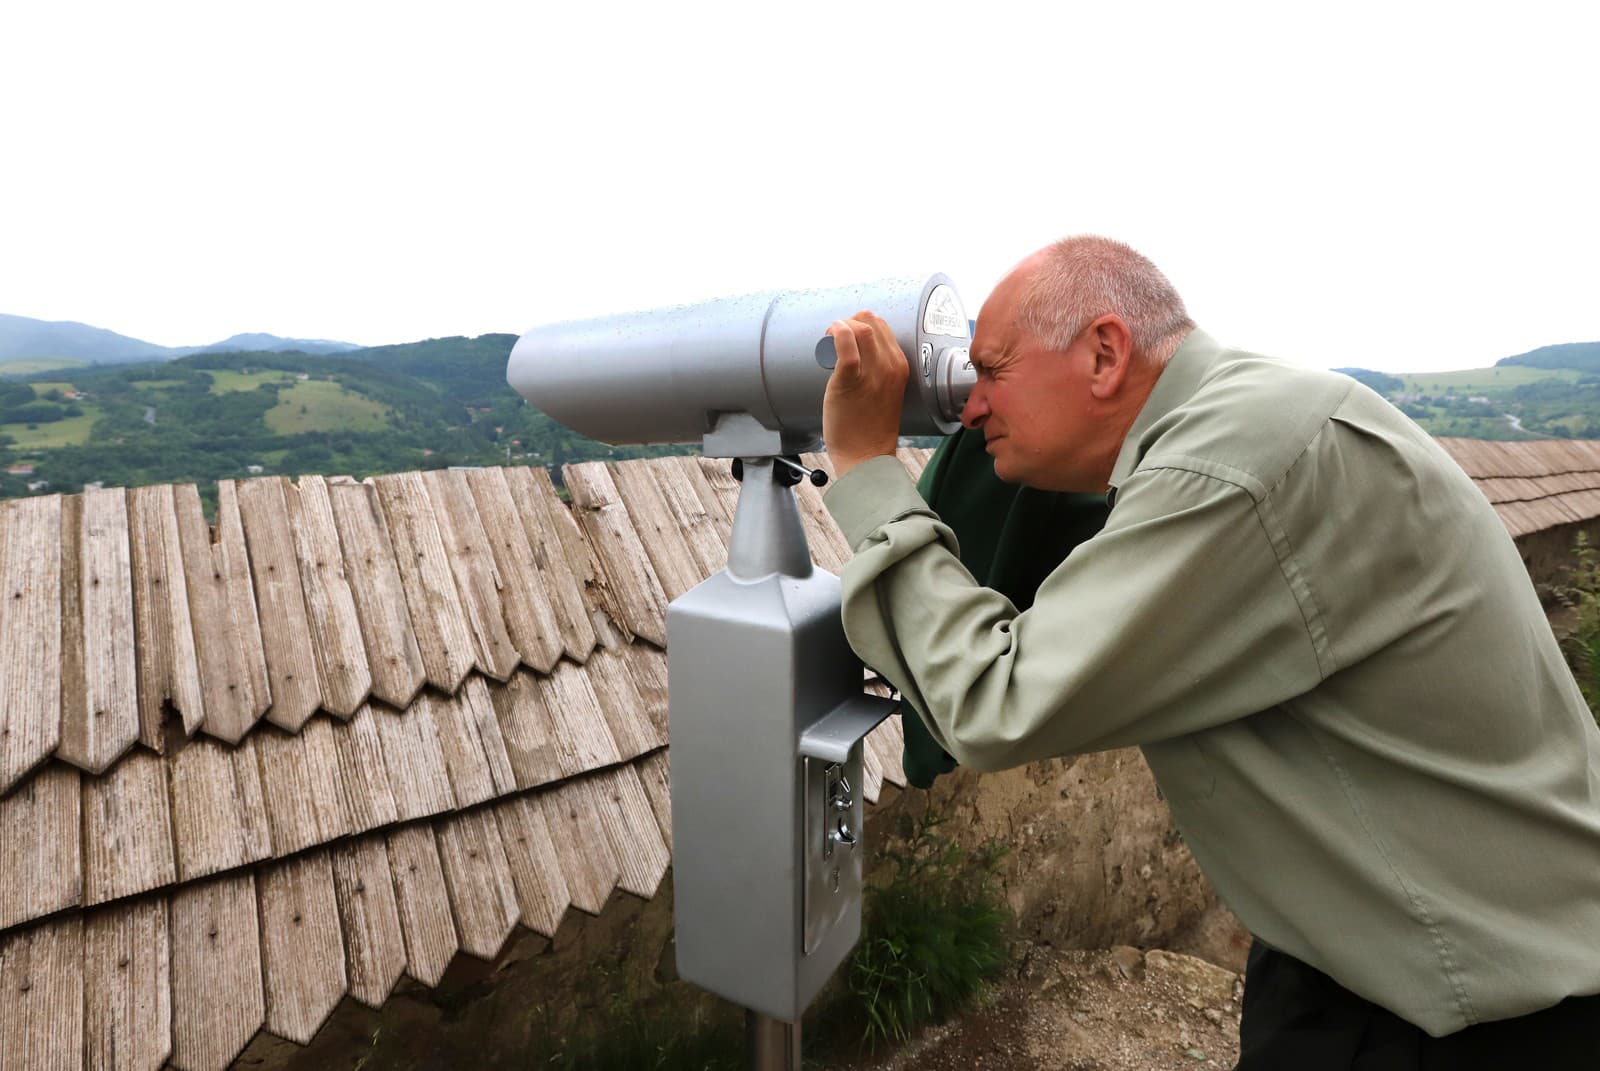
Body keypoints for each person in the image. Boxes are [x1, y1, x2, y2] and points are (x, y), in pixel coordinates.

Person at [818, 235, 1600, 1068]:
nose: (970, 408)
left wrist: (866, 465)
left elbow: (995, 701)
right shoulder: (1241, 418)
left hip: (1476, 1009)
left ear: (1105, 353)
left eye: (992, 370)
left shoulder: (1231, 466)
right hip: (1351, 952)